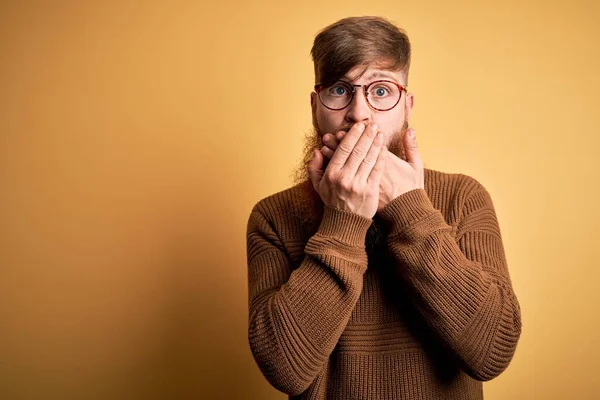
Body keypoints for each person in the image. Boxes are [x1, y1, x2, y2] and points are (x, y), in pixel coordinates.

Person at [246, 16, 522, 400]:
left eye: (380, 91)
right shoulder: (273, 217)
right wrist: (342, 222)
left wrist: (411, 210)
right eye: (341, 90)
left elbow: (492, 352)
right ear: (315, 107)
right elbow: (285, 369)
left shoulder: (462, 197)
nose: (359, 113)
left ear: (406, 106)